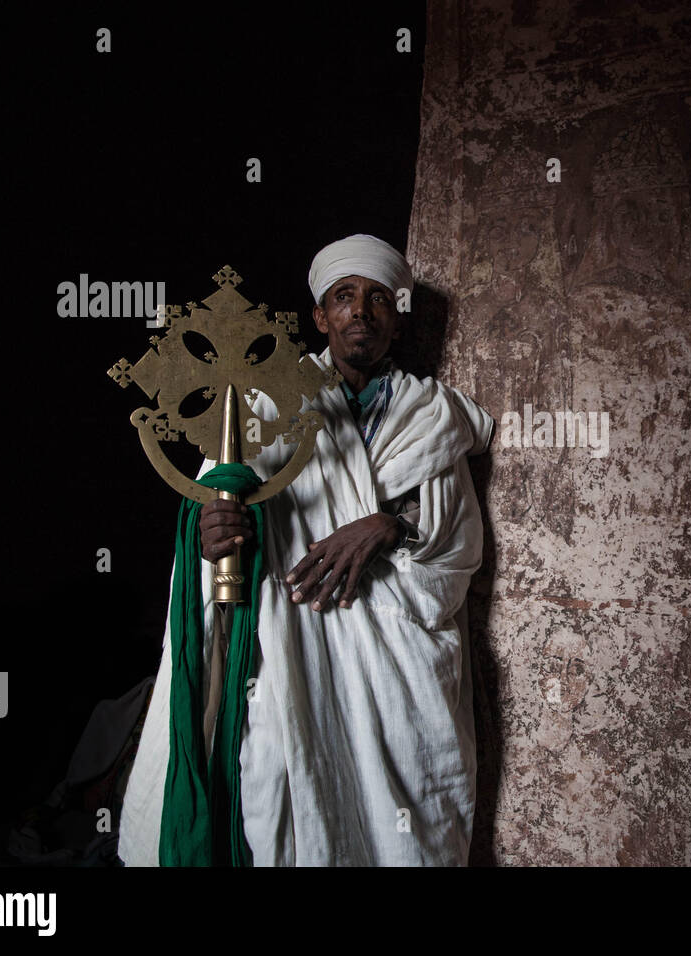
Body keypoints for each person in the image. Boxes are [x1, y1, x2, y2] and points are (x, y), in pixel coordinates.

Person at [117, 234, 493, 865]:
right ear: (320, 316)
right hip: (292, 648)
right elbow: (218, 514)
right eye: (343, 297)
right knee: (283, 808)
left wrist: (387, 525)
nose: (361, 312)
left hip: (397, 665)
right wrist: (209, 536)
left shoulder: (429, 416)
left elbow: (456, 544)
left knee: (406, 832)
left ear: (396, 321)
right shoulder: (266, 406)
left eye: (377, 299)